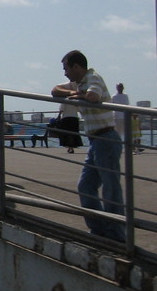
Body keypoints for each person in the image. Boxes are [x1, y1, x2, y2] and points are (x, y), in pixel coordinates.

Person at [51, 50, 125, 241]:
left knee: (111, 188)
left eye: (66, 68)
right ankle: (98, 229)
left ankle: (115, 234)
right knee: (86, 186)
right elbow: (55, 90)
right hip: (95, 141)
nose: (65, 73)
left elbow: (93, 96)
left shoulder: (93, 78)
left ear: (77, 67)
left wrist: (80, 94)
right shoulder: (80, 83)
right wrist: (75, 92)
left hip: (106, 138)